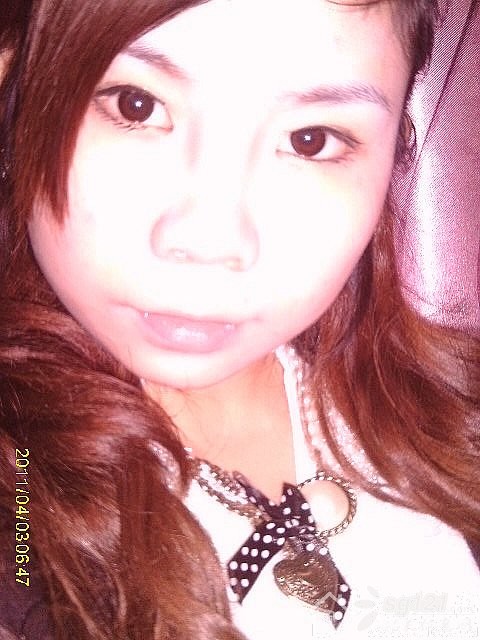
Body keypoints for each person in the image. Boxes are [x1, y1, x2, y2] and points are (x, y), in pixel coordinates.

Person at [0, 1, 478, 639]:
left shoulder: (450, 413)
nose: (209, 241)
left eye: (311, 140)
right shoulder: (21, 502)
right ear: (19, 103)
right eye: (136, 106)